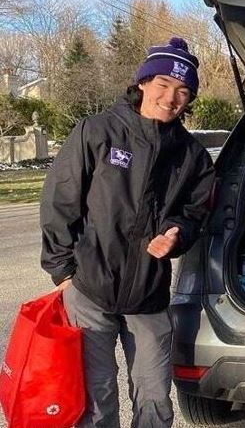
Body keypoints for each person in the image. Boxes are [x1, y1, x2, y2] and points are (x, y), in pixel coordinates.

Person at [40, 37, 215, 427]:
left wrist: (177, 234)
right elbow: (60, 200)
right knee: (95, 397)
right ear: (143, 84)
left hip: (149, 296)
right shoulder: (98, 132)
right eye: (163, 86)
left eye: (183, 91)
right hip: (89, 288)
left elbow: (196, 212)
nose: (171, 98)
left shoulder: (192, 155)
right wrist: (62, 270)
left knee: (154, 396)